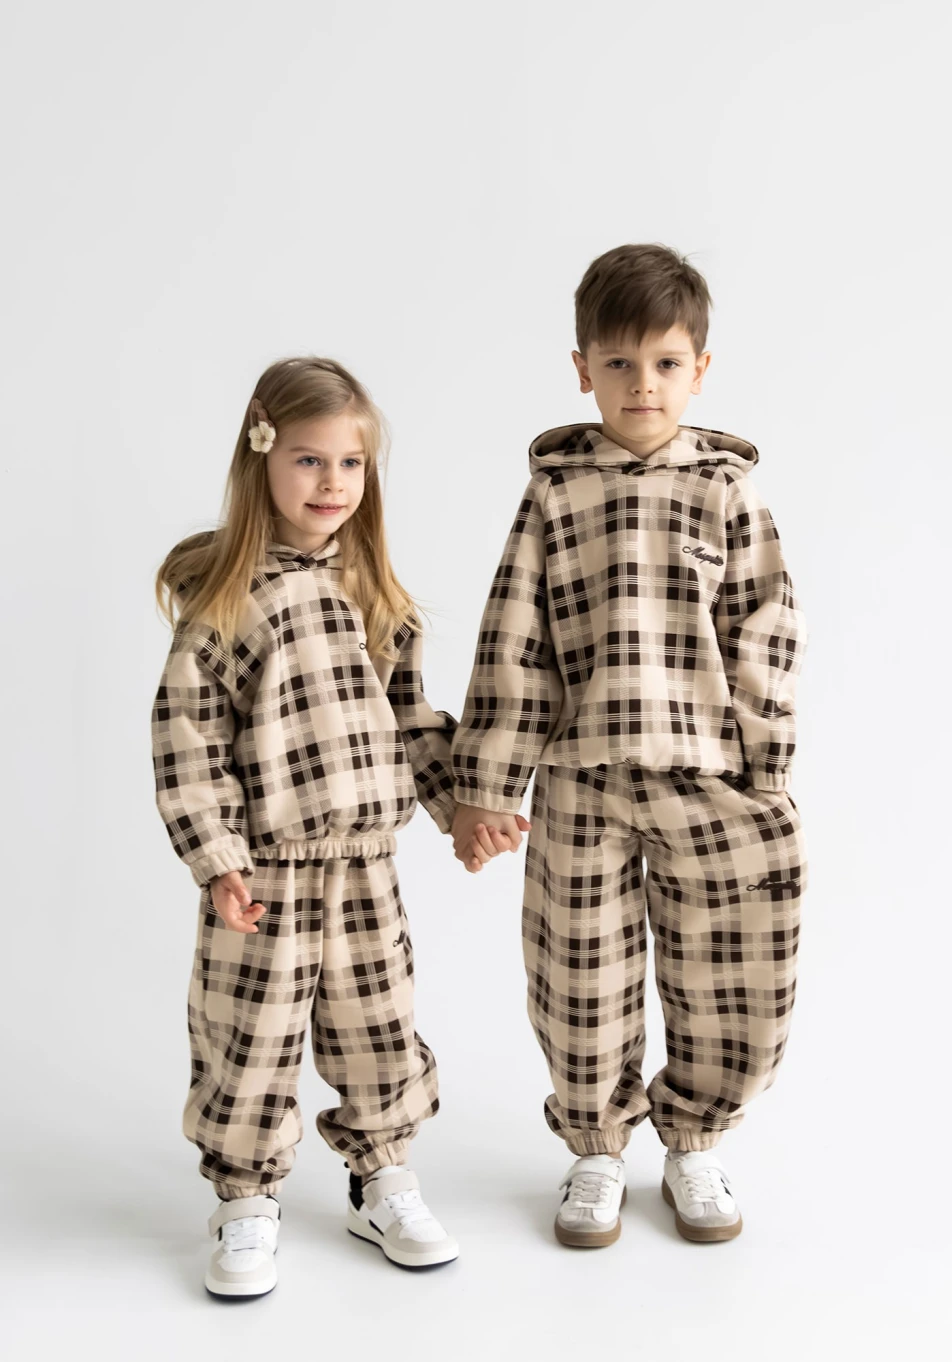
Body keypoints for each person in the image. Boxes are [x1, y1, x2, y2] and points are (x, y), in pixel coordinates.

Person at [450, 244, 808, 1247]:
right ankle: (598, 1147)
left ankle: (694, 1141)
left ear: (700, 369)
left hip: (711, 775)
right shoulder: (555, 495)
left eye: (664, 363)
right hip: (582, 778)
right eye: (618, 363)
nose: (641, 384)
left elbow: (767, 629)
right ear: (582, 370)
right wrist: (487, 783)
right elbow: (514, 640)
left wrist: (766, 764)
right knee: (578, 971)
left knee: (734, 965)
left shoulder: (727, 491)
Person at [152, 356, 483, 1296]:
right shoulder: (227, 601)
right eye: (308, 460)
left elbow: (412, 722)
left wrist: (460, 808)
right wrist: (217, 857)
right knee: (249, 1036)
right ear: (259, 458)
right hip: (264, 870)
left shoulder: (376, 594)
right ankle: (245, 1198)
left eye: (351, 463)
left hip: (366, 863)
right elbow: (187, 739)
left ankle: (381, 1178)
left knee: (378, 1024)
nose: (332, 482)